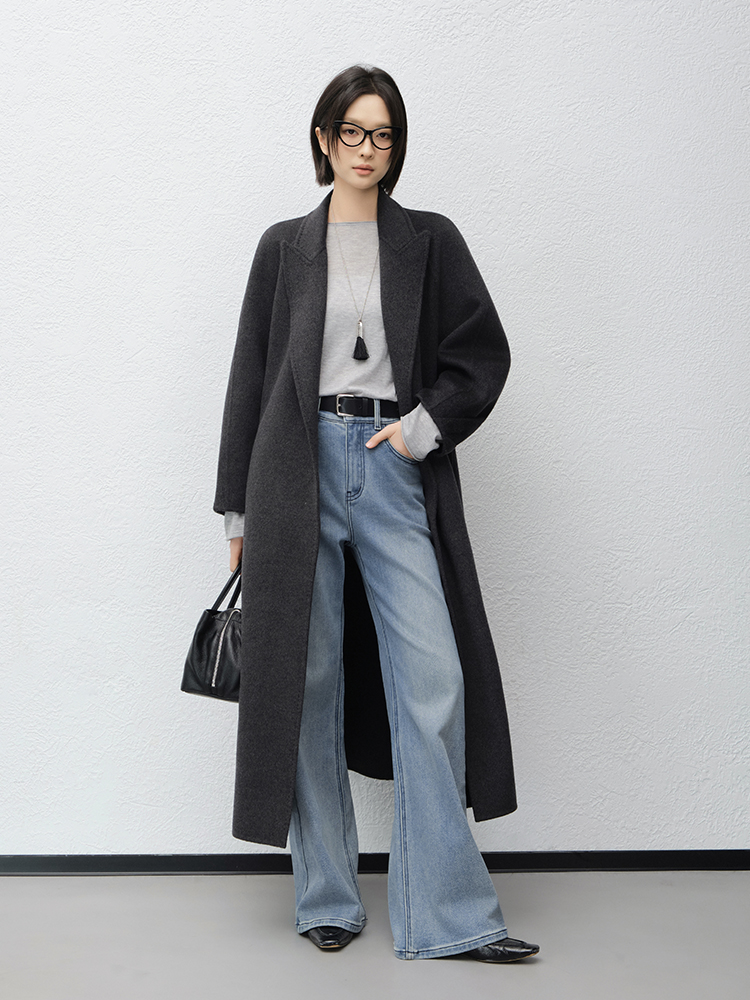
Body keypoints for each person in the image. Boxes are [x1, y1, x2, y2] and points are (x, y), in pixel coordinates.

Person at [213, 65, 539, 963]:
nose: (367, 149)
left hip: (392, 463)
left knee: (433, 680)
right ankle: (326, 896)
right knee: (308, 680)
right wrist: (236, 511)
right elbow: (249, 377)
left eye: (383, 134)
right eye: (351, 132)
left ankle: (450, 915)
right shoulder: (284, 247)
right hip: (295, 471)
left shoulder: (430, 240)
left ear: (396, 146)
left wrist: (421, 430)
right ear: (324, 140)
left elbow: (481, 353)